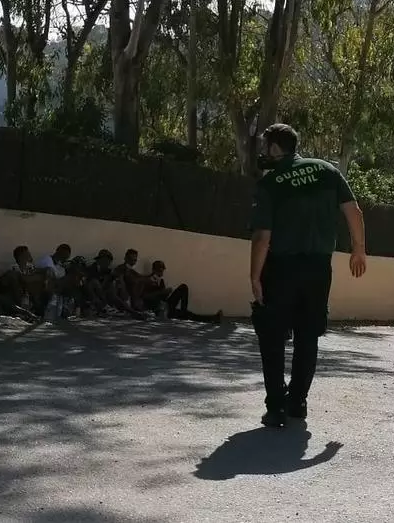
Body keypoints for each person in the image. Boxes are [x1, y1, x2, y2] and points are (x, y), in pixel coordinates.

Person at [249, 123, 367, 429]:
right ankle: (298, 402)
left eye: (265, 146)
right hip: (318, 268)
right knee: (307, 335)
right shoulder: (327, 170)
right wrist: (358, 250)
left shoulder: (270, 183)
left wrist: (255, 276)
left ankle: (276, 406)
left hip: (281, 267)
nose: (262, 152)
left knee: (272, 335)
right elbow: (354, 211)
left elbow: (262, 236)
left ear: (275, 148)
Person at [141, 261, 223, 323]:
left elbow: (163, 297)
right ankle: (213, 318)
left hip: (166, 305)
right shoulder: (148, 280)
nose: (161, 273)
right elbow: (145, 296)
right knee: (190, 315)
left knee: (183, 287)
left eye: (162, 271)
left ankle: (184, 312)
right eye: (159, 271)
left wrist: (166, 293)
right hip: (160, 309)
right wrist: (162, 292)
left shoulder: (161, 281)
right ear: (153, 270)